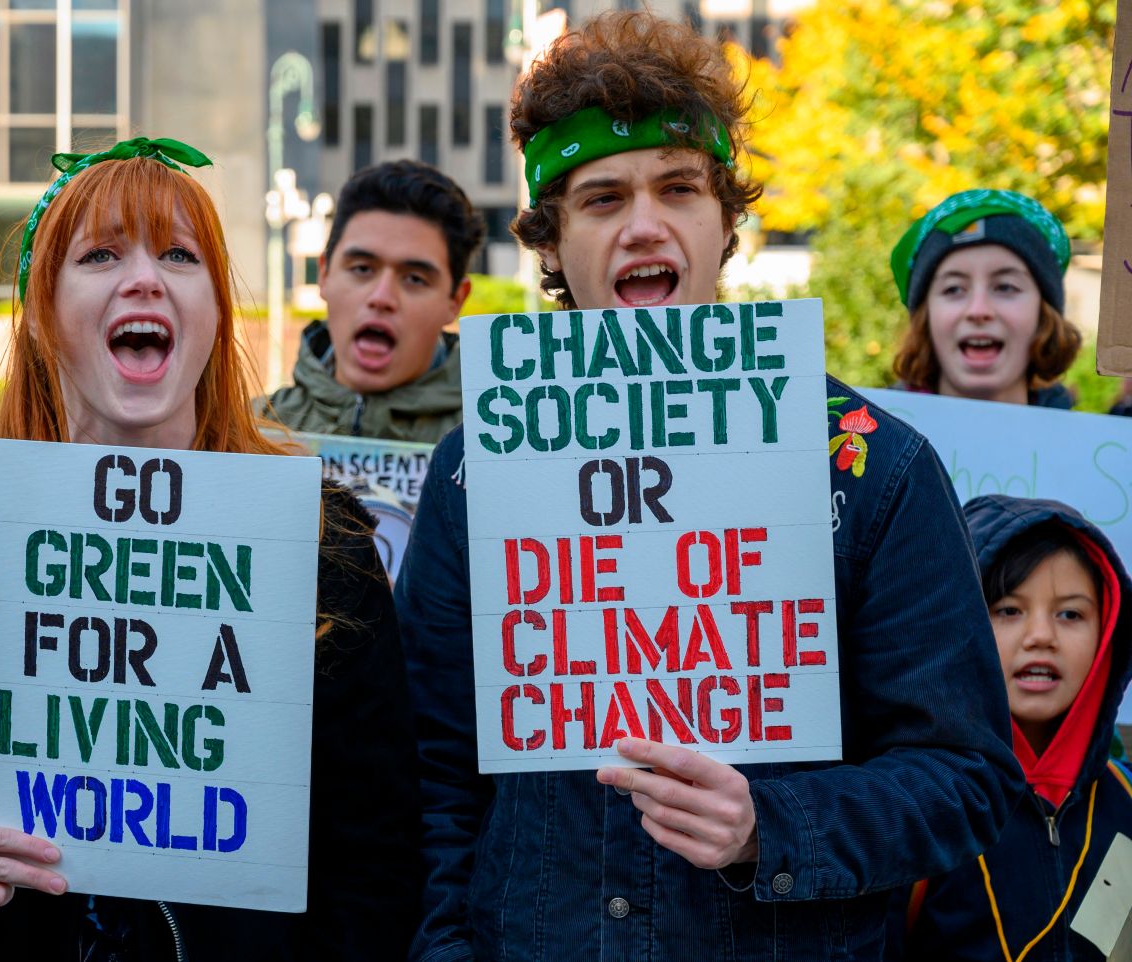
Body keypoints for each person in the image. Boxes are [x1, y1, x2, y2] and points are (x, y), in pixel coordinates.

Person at [394, 11, 1022, 960]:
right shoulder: (477, 472)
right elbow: (427, 774)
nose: (645, 224)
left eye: (678, 188)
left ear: (724, 221)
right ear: (552, 244)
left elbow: (966, 780)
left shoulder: (871, 468)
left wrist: (768, 823)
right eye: (602, 199)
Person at [0, 138, 422, 961]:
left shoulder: (321, 539)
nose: (144, 279)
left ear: (213, 315)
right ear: (44, 312)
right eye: (100, 254)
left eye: (179, 254)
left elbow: (379, 848)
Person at [898, 495, 1131, 961]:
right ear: (957, 623)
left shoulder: (1125, 798)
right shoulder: (917, 808)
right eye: (1008, 610)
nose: (1041, 635)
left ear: (1107, 633)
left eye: (1070, 614)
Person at [260, 159, 484, 443]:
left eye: (415, 279)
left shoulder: (494, 448)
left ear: (455, 300)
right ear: (325, 274)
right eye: (362, 269)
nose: (382, 298)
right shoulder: (245, 435)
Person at [889, 189, 1082, 407]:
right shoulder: (870, 439)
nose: (978, 310)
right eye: (953, 289)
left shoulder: (1094, 440)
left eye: (1005, 287)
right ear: (926, 316)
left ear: (1044, 313)